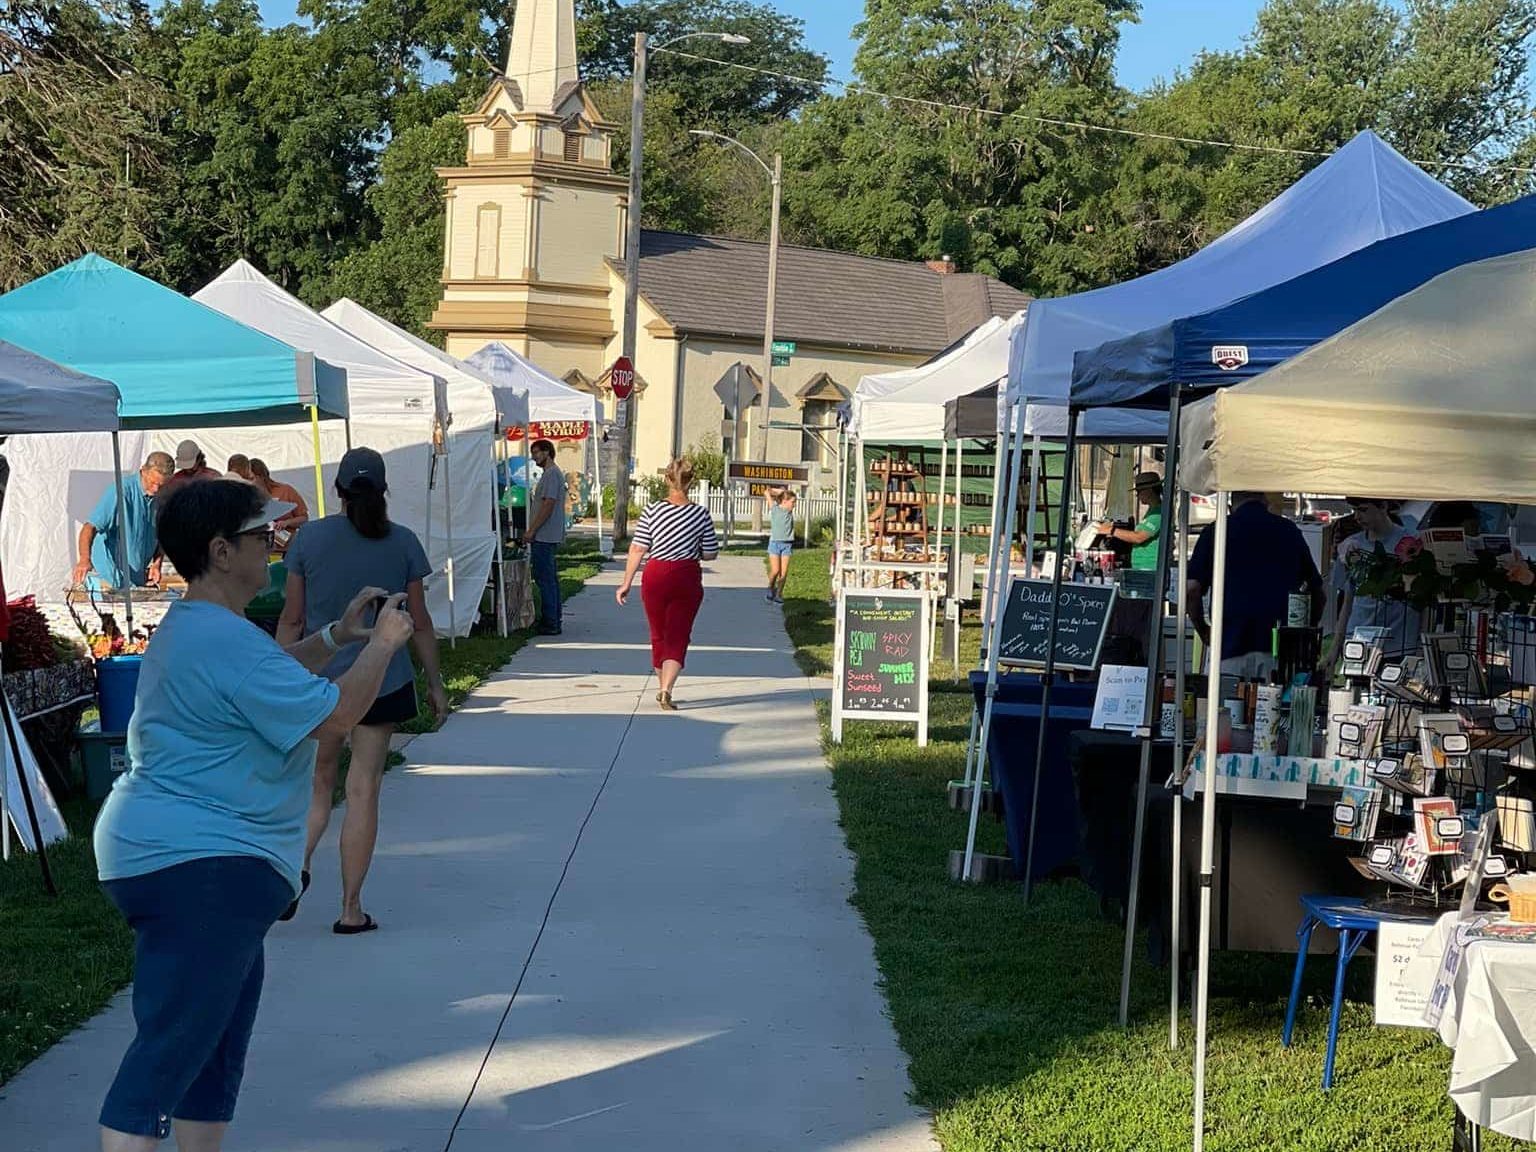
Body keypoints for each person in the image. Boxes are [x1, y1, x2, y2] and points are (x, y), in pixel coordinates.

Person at [93, 479, 414, 1152]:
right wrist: (384, 644)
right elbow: (334, 716)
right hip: (198, 864)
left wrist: (335, 636)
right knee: (170, 1053)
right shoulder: (221, 638)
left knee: (213, 1048)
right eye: (262, 536)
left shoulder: (209, 628)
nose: (275, 545)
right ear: (219, 551)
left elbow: (273, 675)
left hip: (199, 860)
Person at [278, 447, 447, 933]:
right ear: (384, 489)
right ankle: (351, 909)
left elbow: (292, 618)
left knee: (317, 785)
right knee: (364, 789)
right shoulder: (405, 544)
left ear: (338, 490)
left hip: (320, 679)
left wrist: (282, 674)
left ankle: (296, 868)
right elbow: (418, 623)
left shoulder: (307, 539)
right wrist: (435, 683)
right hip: (382, 681)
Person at [616, 458, 719, 711]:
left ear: (667, 480)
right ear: (691, 482)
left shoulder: (652, 510)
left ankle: (662, 686)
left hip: (656, 573)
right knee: (679, 633)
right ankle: (666, 689)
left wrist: (626, 582)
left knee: (658, 634)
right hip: (686, 574)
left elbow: (638, 547)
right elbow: (710, 553)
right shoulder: (700, 514)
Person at [1187, 491, 1323, 679]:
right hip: (1277, 651)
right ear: (1265, 501)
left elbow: (1191, 590)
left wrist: (1203, 630)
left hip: (1227, 646)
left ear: (1230, 506)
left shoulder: (1216, 531)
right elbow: (1317, 592)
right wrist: (1305, 631)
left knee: (1222, 707)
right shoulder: (1289, 531)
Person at [1325, 496, 1420, 665]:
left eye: (1363, 510)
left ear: (1383, 506)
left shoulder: (1411, 542)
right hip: (1359, 639)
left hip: (1398, 642)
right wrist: (1335, 648)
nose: (1357, 517)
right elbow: (1347, 602)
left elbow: (1422, 599)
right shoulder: (1351, 546)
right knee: (1354, 690)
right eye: (1354, 511)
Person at [73, 452, 175, 590]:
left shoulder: (164, 498)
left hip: (135, 581)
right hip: (109, 579)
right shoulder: (120, 491)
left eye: (161, 485)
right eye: (152, 482)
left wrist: (157, 564)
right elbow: (89, 527)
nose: (156, 489)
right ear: (143, 472)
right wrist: (85, 559)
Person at [521, 438, 565, 636]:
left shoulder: (552, 475)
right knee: (549, 578)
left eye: (537, 452)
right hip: (545, 534)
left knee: (544, 578)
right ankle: (553, 617)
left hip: (544, 535)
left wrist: (532, 530)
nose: (534, 457)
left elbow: (548, 504)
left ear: (547, 452)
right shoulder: (549, 474)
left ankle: (550, 621)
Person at [1095, 470, 1163, 571]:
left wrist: (1111, 530)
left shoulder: (1158, 514)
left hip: (1150, 568)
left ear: (1149, 490)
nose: (1137, 495)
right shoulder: (1152, 511)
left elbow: (1139, 537)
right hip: (1144, 567)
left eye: (1139, 491)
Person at [248, 459, 309, 545]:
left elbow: (304, 518)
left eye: (251, 478)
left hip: (288, 548)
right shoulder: (248, 498)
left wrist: (287, 523)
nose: (248, 483)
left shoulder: (285, 490)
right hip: (261, 551)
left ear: (261, 476)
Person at [766, 487, 796, 602]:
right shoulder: (774, 509)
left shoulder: (789, 512)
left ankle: (779, 594)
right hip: (774, 544)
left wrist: (784, 494)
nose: (794, 505)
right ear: (784, 501)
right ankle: (770, 587)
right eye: (792, 502)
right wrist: (781, 492)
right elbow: (767, 492)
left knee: (783, 573)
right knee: (775, 571)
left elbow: (785, 497)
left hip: (787, 545)